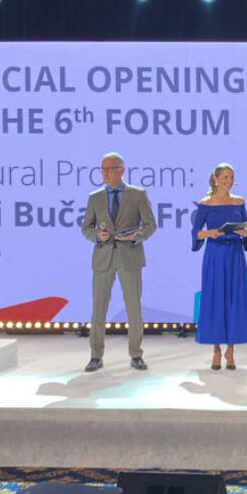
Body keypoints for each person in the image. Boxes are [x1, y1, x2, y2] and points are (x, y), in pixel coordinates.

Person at [81, 152, 157, 372]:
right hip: (103, 257)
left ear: (121, 170)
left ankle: (136, 354)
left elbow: (150, 224)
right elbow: (86, 227)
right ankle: (96, 355)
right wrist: (97, 236)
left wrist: (136, 236)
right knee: (99, 309)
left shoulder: (138, 195)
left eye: (110, 168)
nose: (105, 173)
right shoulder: (95, 197)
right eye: (103, 169)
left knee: (133, 308)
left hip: (129, 256)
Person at [191, 162, 247, 369]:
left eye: (231, 177)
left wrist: (244, 232)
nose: (229, 181)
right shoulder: (206, 203)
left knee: (234, 299)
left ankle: (231, 351)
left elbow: (246, 229)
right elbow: (196, 232)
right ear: (216, 179)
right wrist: (210, 233)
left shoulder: (239, 201)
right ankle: (216, 350)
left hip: (235, 255)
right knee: (216, 299)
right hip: (215, 255)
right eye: (225, 177)